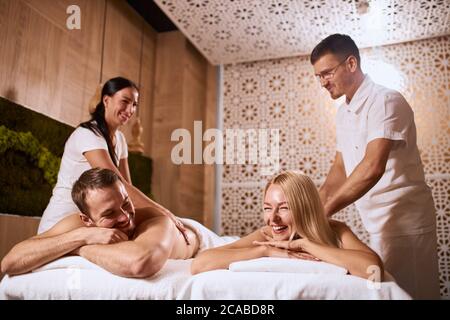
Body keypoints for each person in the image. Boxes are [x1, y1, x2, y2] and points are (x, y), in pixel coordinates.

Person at [310, 34, 439, 299]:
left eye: (327, 73)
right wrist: (312, 208)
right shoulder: (343, 113)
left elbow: (372, 166)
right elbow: (339, 168)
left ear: (351, 64)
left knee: (411, 295)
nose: (323, 82)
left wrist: (325, 211)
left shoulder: (385, 100)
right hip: (375, 225)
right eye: (318, 76)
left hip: (406, 224)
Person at [38, 77, 188, 242]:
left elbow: (125, 189)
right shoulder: (87, 134)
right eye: (125, 101)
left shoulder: (121, 140)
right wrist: (165, 213)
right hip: (63, 221)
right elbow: (122, 184)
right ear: (106, 100)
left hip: (96, 224)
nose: (130, 109)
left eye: (134, 104)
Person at [1, 168, 199, 278]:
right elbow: (9, 262)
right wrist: (82, 236)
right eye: (109, 213)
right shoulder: (81, 226)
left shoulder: (156, 221)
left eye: (126, 203)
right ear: (87, 220)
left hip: (198, 237)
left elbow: (140, 263)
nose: (124, 216)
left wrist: (80, 248)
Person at [191, 171, 384, 281]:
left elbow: (373, 269)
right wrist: (264, 251)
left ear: (304, 208)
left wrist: (305, 245)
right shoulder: (266, 235)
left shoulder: (336, 230)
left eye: (284, 208)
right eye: (267, 208)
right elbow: (200, 264)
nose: (273, 219)